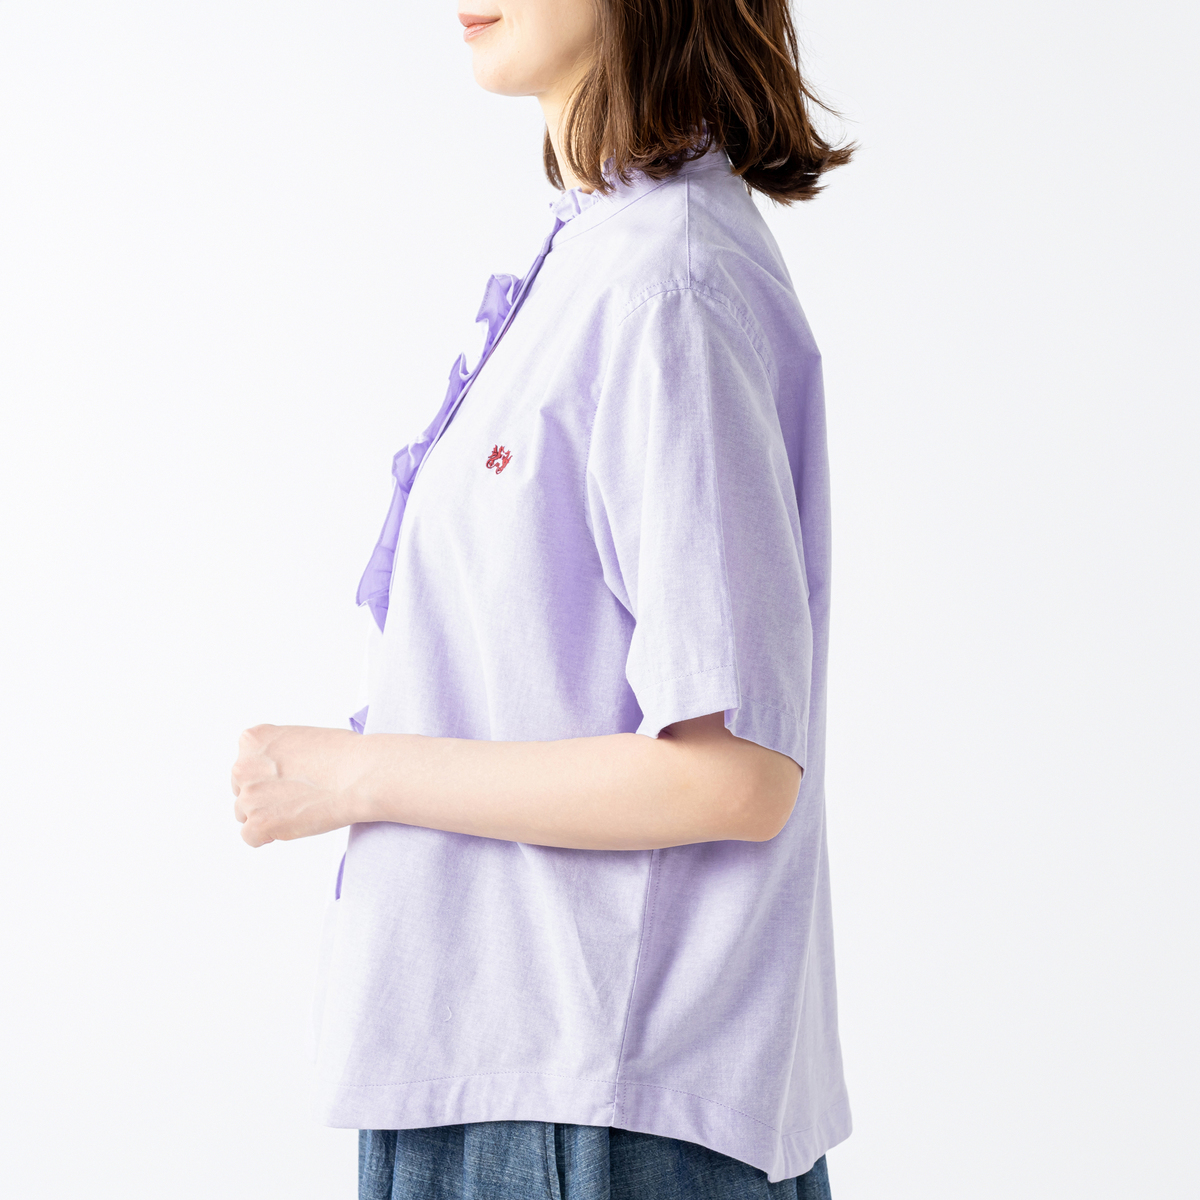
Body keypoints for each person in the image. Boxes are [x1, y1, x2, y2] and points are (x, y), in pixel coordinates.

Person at [231, 1, 854, 1196]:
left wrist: (356, 776)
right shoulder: (602, 256)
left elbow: (736, 773)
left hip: (591, 1114)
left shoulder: (669, 286)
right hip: (513, 1078)